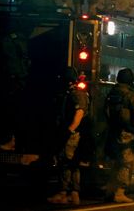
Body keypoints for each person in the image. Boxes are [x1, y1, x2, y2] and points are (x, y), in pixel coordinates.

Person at [105, 68, 134, 203]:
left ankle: (110, 190)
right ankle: (120, 192)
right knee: (126, 162)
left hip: (113, 131)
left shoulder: (112, 92)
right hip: (126, 133)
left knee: (116, 162)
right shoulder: (131, 94)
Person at [47, 68, 89, 205]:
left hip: (72, 135)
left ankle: (63, 193)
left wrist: (69, 130)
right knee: (73, 164)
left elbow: (79, 113)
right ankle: (74, 194)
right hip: (74, 134)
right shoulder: (75, 94)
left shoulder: (75, 94)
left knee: (65, 162)